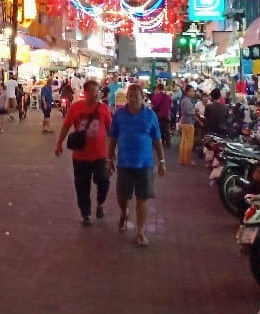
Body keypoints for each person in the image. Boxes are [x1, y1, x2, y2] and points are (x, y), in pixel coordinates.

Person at [108, 83, 166, 246]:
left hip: (145, 165)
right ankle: (124, 211)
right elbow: (113, 138)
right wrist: (109, 158)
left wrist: (162, 161)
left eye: (137, 97)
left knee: (143, 198)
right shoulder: (119, 115)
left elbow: (157, 140)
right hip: (124, 163)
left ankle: (140, 231)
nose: (134, 100)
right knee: (122, 196)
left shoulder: (150, 116)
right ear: (126, 98)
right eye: (131, 97)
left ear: (143, 98)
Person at [55, 78, 112, 226]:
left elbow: (111, 131)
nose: (96, 94)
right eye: (93, 92)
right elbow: (66, 125)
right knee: (82, 185)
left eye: (97, 91)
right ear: (86, 93)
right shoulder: (76, 107)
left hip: (100, 154)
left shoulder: (104, 109)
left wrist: (113, 152)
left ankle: (100, 202)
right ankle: (85, 213)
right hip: (81, 155)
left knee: (103, 180)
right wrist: (59, 143)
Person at [178, 84, 196, 166]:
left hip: (185, 122)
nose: (193, 92)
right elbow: (186, 112)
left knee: (184, 142)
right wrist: (194, 112)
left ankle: (183, 160)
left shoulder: (185, 100)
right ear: (187, 92)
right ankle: (187, 160)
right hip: (188, 123)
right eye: (191, 91)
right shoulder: (187, 101)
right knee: (188, 143)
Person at [151, 81, 172, 147]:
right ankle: (168, 143)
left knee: (159, 129)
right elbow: (170, 105)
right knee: (166, 129)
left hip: (158, 115)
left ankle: (160, 142)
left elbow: (153, 106)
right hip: (166, 115)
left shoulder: (155, 96)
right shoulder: (167, 96)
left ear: (157, 88)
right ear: (163, 88)